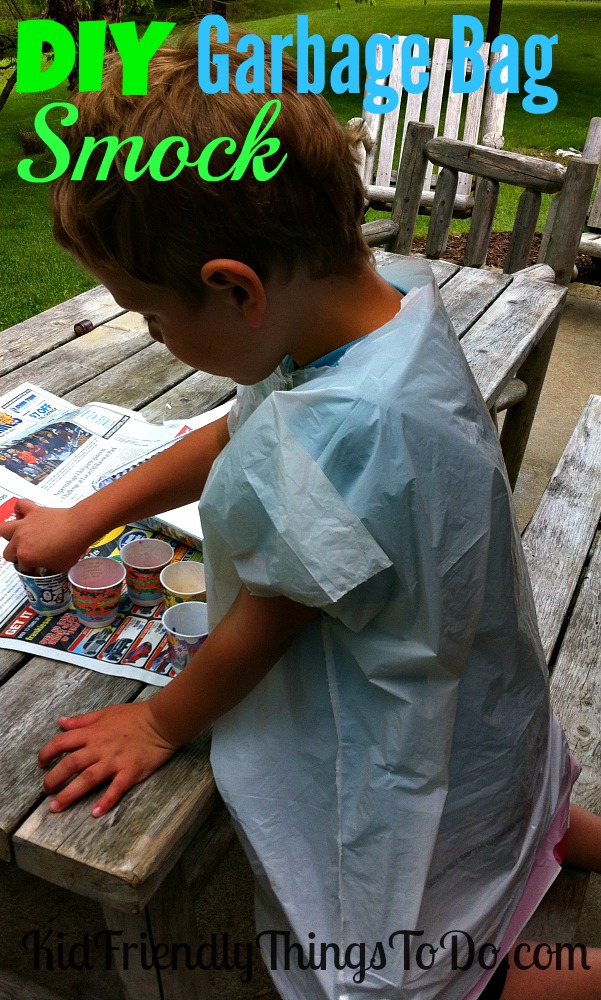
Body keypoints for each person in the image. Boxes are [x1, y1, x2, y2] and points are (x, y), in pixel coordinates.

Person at [1, 30, 601, 1000]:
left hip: (403, 730)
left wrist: (155, 723)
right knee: (506, 795)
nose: (159, 339)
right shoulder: (383, 302)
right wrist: (81, 517)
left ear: (235, 289)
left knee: (422, 977)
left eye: (154, 320)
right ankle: (550, 839)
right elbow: (232, 433)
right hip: (477, 685)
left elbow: (263, 625)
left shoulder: (339, 437)